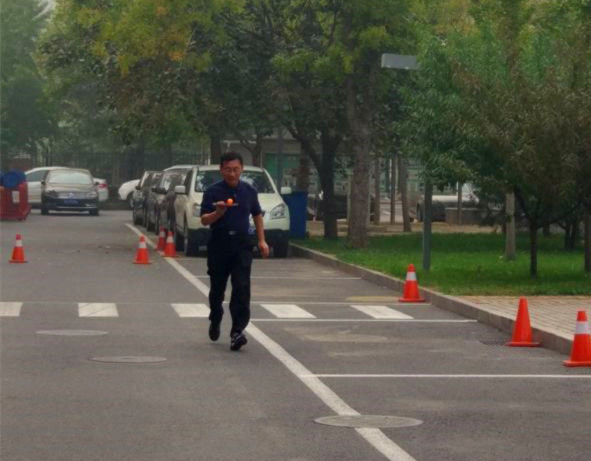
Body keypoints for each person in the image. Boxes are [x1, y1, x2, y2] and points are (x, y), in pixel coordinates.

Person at [200, 152, 270, 351]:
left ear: (242, 169)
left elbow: (257, 215)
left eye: (236, 170)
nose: (232, 174)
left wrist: (262, 241)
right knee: (217, 289)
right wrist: (218, 212)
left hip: (242, 245)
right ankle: (216, 317)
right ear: (221, 170)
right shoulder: (212, 192)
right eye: (228, 170)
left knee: (241, 287)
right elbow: (204, 220)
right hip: (219, 245)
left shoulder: (249, 191)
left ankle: (237, 331)